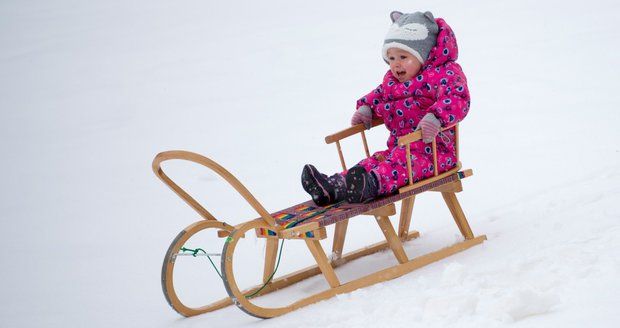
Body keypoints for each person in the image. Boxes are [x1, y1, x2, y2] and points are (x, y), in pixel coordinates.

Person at [302, 11, 470, 206]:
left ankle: (372, 185)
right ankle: (332, 187)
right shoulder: (392, 83)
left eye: (403, 57)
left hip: (434, 154)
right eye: (390, 58)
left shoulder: (444, 74)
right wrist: (366, 108)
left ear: (424, 54)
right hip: (399, 149)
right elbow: (379, 95)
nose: (396, 64)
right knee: (373, 163)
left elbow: (458, 97)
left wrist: (436, 117)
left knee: (397, 167)